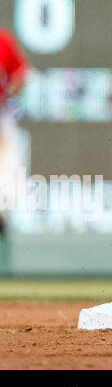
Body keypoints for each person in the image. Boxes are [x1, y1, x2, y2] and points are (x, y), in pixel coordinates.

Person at [0, 30, 29, 237]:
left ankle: (2, 210)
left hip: (0, 112)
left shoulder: (3, 41)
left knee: (10, 157)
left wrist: (9, 93)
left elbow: (20, 73)